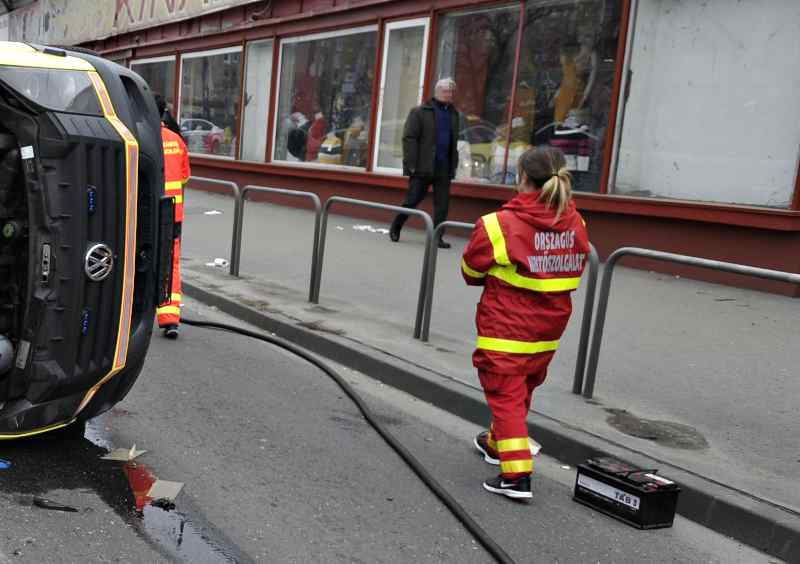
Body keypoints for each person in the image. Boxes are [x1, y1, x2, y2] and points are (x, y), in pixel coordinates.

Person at [461, 146, 590, 501]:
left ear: (522, 178)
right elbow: (573, 267)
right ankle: (495, 442)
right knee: (520, 388)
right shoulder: (575, 222)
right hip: (548, 329)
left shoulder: (499, 224)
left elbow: (471, 271)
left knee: (504, 392)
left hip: (507, 326)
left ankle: (516, 475)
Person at [390, 78, 459, 249]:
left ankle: (437, 237)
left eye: (451, 91)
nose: (449, 94)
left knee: (442, 205)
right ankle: (396, 226)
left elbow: (452, 141)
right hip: (423, 166)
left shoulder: (454, 114)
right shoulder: (420, 112)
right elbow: (409, 138)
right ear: (437, 92)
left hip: (444, 167)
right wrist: (411, 164)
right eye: (445, 91)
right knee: (412, 200)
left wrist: (453, 164)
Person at [154, 93, 191, 339]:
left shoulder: (139, 138)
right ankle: (169, 318)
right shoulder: (176, 141)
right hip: (172, 214)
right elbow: (185, 176)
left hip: (145, 212)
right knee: (171, 262)